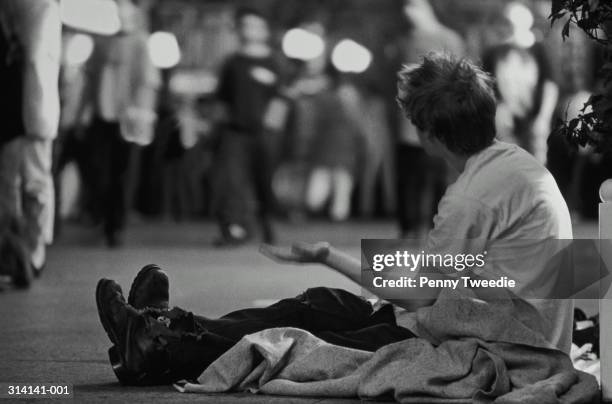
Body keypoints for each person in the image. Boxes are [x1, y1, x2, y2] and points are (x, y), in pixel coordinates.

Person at [96, 54, 574, 385]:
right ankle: (161, 325)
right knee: (313, 303)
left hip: (499, 339)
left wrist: (330, 256)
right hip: (503, 318)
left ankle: (158, 344)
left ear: (428, 133)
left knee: (309, 337)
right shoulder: (513, 163)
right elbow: (471, 273)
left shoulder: (472, 197)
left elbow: (416, 289)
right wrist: (329, 259)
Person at [77, 0, 160, 247]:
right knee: (98, 171)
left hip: (129, 119)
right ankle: (102, 218)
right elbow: (88, 81)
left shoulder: (140, 43)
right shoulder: (101, 41)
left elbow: (148, 83)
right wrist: (82, 113)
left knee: (122, 174)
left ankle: (116, 226)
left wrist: (142, 116)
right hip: (102, 116)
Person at [0, 0, 61, 280]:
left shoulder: (41, 7)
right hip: (18, 107)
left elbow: (36, 56)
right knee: (13, 185)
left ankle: (30, 253)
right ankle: (19, 253)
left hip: (32, 107)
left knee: (31, 184)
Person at [395, 0, 466, 238]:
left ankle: (439, 230)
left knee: (439, 180)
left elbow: (460, 78)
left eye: (413, 6)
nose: (408, 12)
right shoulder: (407, 40)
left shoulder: (449, 39)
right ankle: (408, 230)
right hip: (408, 123)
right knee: (408, 180)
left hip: (438, 122)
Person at [212, 7, 282, 246]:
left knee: (263, 181)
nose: (249, 30)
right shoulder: (232, 63)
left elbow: (281, 99)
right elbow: (222, 99)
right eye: (245, 25)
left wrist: (271, 129)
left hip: (264, 134)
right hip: (235, 132)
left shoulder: (274, 63)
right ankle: (233, 229)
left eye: (254, 25)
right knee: (231, 182)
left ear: (264, 31)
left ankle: (265, 222)